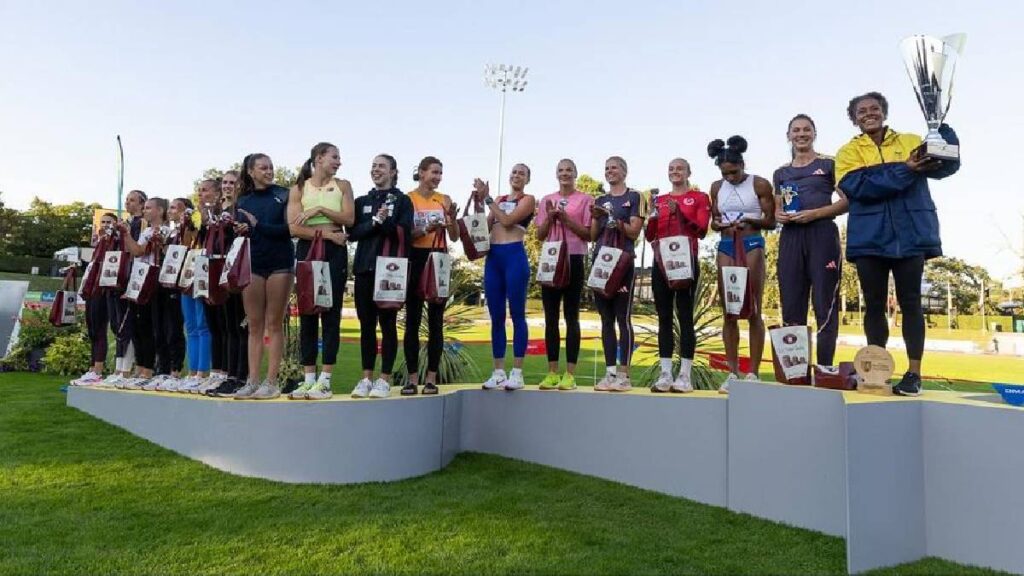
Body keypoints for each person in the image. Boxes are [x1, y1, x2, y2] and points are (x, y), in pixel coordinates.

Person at [836, 91, 960, 396]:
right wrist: (906, 169)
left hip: (911, 232)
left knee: (911, 302)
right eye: (862, 111)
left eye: (874, 109)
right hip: (869, 236)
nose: (869, 114)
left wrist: (942, 131)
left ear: (884, 112)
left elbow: (946, 165)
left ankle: (914, 374)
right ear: (854, 119)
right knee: (874, 304)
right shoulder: (847, 152)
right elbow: (857, 186)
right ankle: (876, 371)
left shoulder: (909, 140)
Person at [773, 114, 848, 368]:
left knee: (824, 302)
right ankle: (795, 370)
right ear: (789, 136)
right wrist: (779, 215)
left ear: (814, 133)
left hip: (822, 234)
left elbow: (847, 201)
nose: (801, 134)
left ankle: (825, 366)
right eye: (796, 130)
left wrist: (815, 214)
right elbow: (776, 209)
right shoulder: (781, 172)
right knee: (791, 302)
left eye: (806, 130)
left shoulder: (829, 165)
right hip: (791, 237)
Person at [287, 142, 354, 401]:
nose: (339, 162)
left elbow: (349, 220)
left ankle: (325, 380)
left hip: (335, 255)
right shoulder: (299, 189)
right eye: (334, 157)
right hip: (309, 250)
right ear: (319, 158)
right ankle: (308, 379)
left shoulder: (343, 186)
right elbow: (294, 228)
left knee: (330, 312)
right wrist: (327, 233)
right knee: (307, 312)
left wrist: (320, 210)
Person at [708, 136, 775, 393]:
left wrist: (750, 220)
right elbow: (714, 221)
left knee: (753, 307)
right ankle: (732, 372)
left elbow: (771, 222)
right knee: (729, 310)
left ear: (743, 164)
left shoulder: (759, 183)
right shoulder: (716, 187)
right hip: (726, 244)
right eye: (726, 174)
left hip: (751, 244)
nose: (731, 178)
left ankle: (753, 372)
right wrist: (721, 225)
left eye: (734, 172)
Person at [348, 154, 413, 399]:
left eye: (382, 166)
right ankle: (365, 378)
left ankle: (384, 379)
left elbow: (405, 233)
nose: (376, 170)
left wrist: (385, 222)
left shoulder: (402, 200)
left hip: (389, 270)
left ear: (393, 172)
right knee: (366, 326)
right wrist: (375, 222)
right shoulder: (362, 200)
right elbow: (353, 233)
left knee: (387, 326)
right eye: (373, 166)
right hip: (364, 268)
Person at [233, 153, 295, 400]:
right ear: (251, 171)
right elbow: (244, 231)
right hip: (254, 264)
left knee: (274, 324)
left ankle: (271, 382)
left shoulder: (284, 194)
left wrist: (258, 226)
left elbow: (289, 229)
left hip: (280, 264)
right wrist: (243, 228)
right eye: (263, 167)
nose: (269, 171)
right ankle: (252, 381)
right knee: (254, 325)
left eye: (271, 167)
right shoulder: (243, 200)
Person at [647, 158, 711, 393]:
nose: (675, 172)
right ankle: (665, 373)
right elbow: (649, 235)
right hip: (661, 261)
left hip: (686, 260)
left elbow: (702, 230)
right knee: (663, 317)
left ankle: (685, 375)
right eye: (671, 169)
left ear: (689, 172)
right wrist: (652, 217)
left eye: (680, 168)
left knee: (685, 317)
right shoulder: (660, 200)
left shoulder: (700, 197)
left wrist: (680, 213)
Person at [472, 164, 536, 391]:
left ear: (527, 179)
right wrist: (480, 201)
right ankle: (498, 371)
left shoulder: (528, 199)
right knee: (496, 316)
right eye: (514, 172)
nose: (517, 176)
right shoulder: (498, 198)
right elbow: (484, 226)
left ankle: (517, 372)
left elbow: (508, 221)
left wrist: (489, 199)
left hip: (514, 256)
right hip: (494, 259)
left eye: (522, 173)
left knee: (517, 315)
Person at [401, 156, 459, 396]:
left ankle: (431, 379)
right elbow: (405, 235)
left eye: (440, 173)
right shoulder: (408, 199)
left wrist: (452, 219)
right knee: (412, 321)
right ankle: (412, 378)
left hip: (439, 257)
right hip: (415, 258)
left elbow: (454, 236)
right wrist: (427, 228)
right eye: (434, 172)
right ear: (422, 172)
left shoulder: (443, 199)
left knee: (436, 322)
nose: (437, 177)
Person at [535, 159, 594, 391]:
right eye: (561, 170)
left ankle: (570, 374)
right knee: (550, 318)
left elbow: (588, 234)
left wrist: (566, 219)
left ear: (576, 173)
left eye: (569, 170)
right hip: (551, 257)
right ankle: (551, 372)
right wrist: (550, 217)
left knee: (571, 316)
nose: (565, 173)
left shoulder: (586, 200)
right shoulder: (546, 200)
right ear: (556, 174)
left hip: (574, 258)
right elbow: (539, 235)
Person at [590, 156, 643, 392]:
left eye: (614, 167)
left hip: (623, 262)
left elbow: (634, 232)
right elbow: (592, 235)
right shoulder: (600, 199)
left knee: (623, 318)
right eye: (606, 168)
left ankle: (624, 374)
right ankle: (609, 372)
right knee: (605, 319)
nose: (609, 171)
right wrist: (596, 216)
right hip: (601, 261)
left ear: (624, 171)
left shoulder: (634, 197)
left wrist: (614, 220)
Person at [119, 197, 176, 390]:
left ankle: (157, 369)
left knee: (157, 327)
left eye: (149, 208)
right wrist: (126, 234)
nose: (145, 211)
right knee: (139, 325)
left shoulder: (169, 231)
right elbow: (137, 251)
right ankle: (142, 367)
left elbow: (167, 254)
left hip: (157, 282)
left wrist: (161, 244)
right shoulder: (147, 231)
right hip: (140, 280)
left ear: (160, 210)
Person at [205, 172, 250, 397]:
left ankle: (243, 376)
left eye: (232, 183)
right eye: (224, 182)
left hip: (239, 271)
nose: (227, 186)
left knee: (242, 327)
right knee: (229, 326)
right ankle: (230, 376)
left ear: (240, 185)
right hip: (221, 271)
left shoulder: (241, 209)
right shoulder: (217, 212)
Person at [166, 197, 212, 392]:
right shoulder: (183, 226)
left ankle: (203, 372)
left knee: (202, 324)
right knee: (191, 326)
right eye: (199, 190)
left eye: (205, 190)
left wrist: (200, 217)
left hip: (202, 271)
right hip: (187, 272)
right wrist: (187, 227)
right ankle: (193, 372)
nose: (202, 193)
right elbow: (185, 245)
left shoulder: (209, 217)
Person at [70, 212, 119, 386]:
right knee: (92, 329)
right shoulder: (99, 243)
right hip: (92, 288)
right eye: (103, 222)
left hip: (104, 288)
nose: (105, 225)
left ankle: (98, 369)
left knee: (100, 327)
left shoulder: (115, 241)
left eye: (109, 222)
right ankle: (92, 367)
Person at [106, 190, 146, 388]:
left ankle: (125, 369)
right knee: (117, 325)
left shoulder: (140, 224)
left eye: (132, 200)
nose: (128, 203)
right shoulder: (126, 223)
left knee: (127, 324)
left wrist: (125, 233)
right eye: (127, 200)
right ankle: (118, 367)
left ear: (141, 204)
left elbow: (136, 250)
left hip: (132, 277)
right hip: (117, 276)